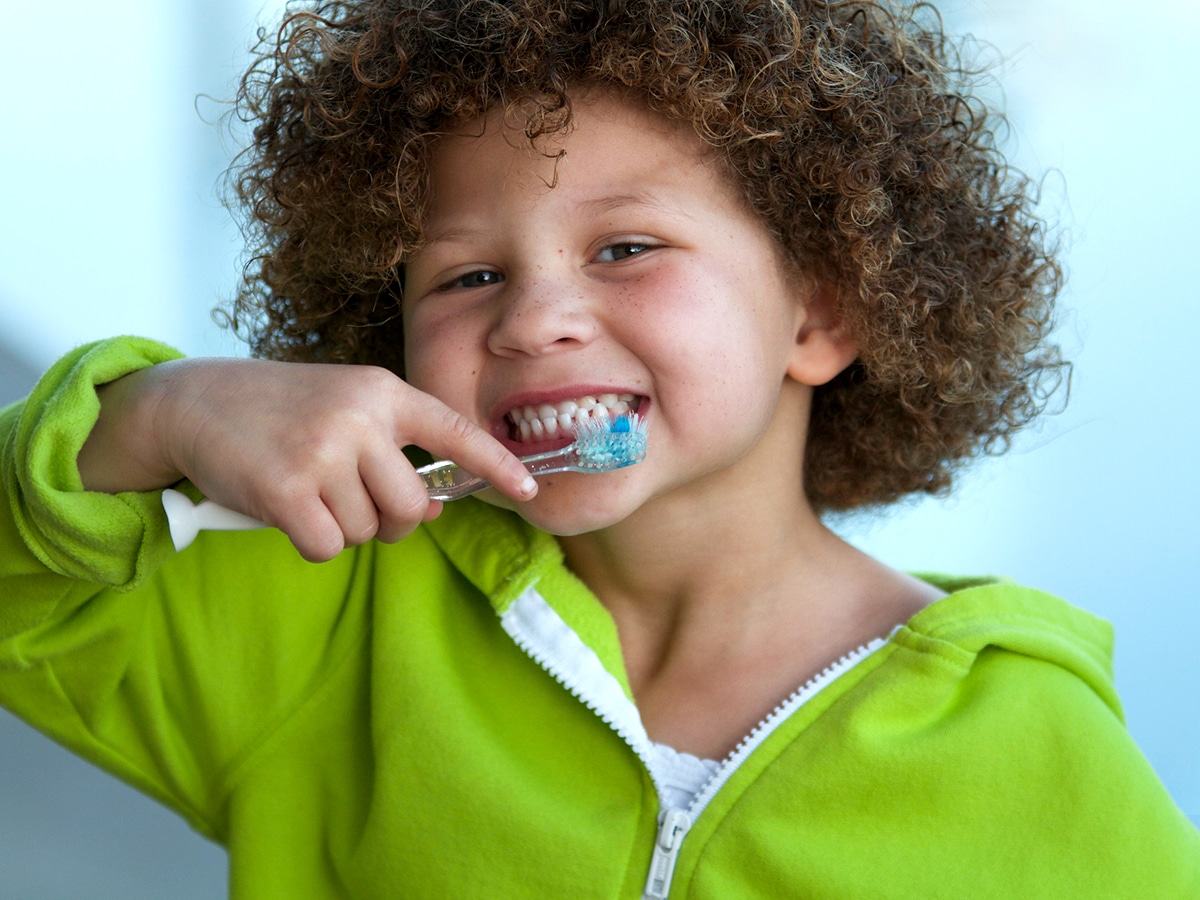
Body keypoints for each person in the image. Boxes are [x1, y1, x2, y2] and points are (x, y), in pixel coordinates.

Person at [1, 0, 1196, 896]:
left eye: (626, 248)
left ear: (822, 312)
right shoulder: (324, 618)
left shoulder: (1031, 749)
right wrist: (162, 411)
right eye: (468, 276)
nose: (532, 319)